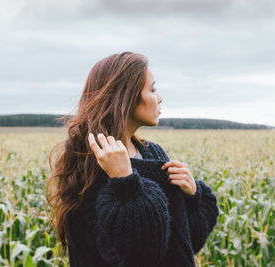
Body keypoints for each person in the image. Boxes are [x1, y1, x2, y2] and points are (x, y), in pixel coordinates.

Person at [46, 51, 219, 267]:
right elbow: (141, 256)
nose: (159, 97)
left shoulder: (152, 153)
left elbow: (184, 244)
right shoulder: (90, 163)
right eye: (153, 89)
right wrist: (126, 185)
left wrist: (193, 197)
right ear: (126, 95)